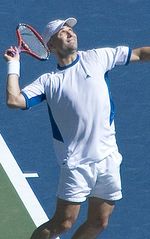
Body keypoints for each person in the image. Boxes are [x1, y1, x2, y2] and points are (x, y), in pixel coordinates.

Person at [4, 17, 150, 239]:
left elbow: (139, 54)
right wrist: (13, 65)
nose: (69, 32)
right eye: (61, 32)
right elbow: (14, 100)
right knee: (63, 223)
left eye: (70, 29)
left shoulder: (98, 57)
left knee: (99, 221)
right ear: (50, 46)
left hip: (108, 158)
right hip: (77, 165)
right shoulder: (48, 82)